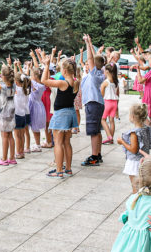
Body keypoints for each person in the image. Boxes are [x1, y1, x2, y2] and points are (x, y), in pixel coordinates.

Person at [39, 48, 80, 178]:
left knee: (58, 142)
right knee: (67, 142)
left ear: (65, 70)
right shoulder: (76, 82)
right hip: (70, 112)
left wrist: (46, 65)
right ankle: (68, 168)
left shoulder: (63, 83)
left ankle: (59, 170)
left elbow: (44, 81)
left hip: (61, 114)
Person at [80, 35, 106, 167]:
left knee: (93, 132)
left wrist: (87, 43)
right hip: (97, 103)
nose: (86, 63)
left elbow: (91, 58)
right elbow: (96, 58)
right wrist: (90, 43)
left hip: (93, 103)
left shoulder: (94, 73)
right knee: (97, 130)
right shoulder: (99, 72)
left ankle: (94, 156)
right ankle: (98, 154)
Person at [117, 103, 151, 193]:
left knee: (136, 187)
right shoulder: (146, 129)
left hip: (135, 162)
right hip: (144, 160)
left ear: (133, 117)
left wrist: (122, 142)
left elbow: (133, 149)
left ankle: (135, 204)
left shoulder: (134, 133)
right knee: (143, 186)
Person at [0, 63, 17, 166]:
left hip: (4, 111)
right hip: (11, 110)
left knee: (4, 136)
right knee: (10, 134)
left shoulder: (2, 86)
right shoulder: (14, 84)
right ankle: (12, 157)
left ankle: (4, 158)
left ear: (3, 76)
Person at [26, 51, 47, 153]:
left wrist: (29, 68)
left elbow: (28, 78)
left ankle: (37, 144)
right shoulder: (42, 84)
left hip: (33, 106)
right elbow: (36, 69)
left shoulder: (34, 85)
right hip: (39, 105)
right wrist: (33, 60)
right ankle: (37, 143)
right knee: (35, 127)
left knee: (34, 126)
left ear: (34, 76)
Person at [12, 62, 31, 160]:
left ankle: (18, 152)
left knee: (17, 136)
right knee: (22, 135)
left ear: (16, 82)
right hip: (23, 114)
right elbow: (19, 77)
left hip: (16, 115)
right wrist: (16, 67)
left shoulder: (16, 90)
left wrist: (14, 66)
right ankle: (22, 151)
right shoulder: (25, 90)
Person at [100, 63, 120, 145]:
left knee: (103, 120)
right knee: (112, 121)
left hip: (107, 103)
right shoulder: (116, 82)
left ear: (107, 71)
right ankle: (111, 139)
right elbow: (118, 95)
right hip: (114, 103)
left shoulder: (105, 82)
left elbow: (101, 94)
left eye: (104, 70)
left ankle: (109, 136)